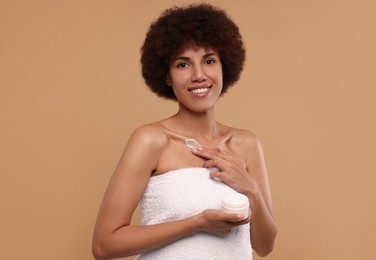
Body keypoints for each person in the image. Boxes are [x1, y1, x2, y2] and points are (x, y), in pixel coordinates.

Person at [92, 3, 277, 260]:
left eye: (209, 61)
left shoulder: (246, 144)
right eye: (183, 64)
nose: (199, 75)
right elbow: (104, 246)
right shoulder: (151, 140)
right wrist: (197, 223)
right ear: (167, 76)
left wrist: (251, 189)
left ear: (224, 66)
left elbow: (265, 246)